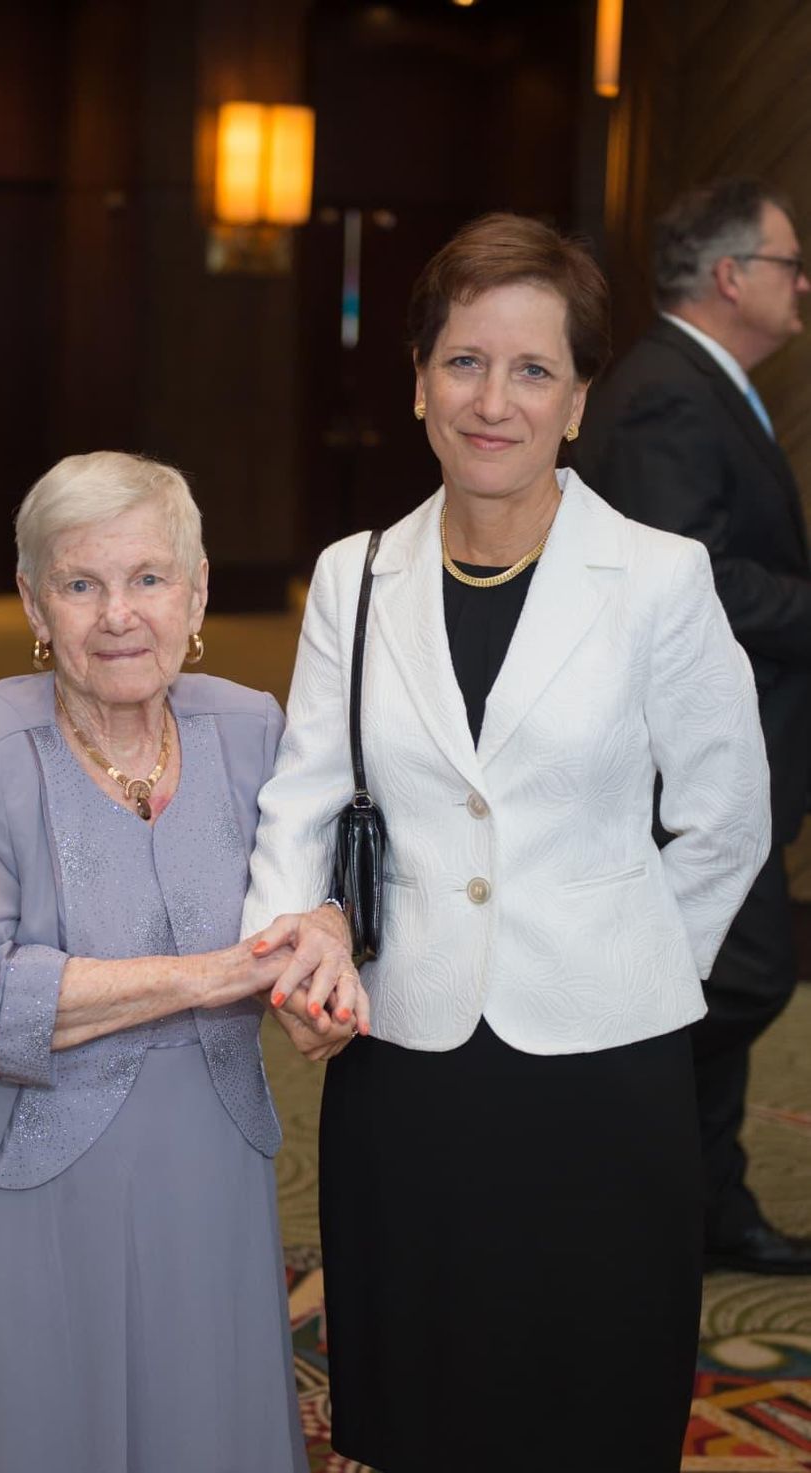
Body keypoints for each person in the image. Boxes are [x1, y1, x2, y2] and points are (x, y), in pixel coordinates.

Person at [243, 213, 771, 1473]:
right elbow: (299, 804)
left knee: (587, 1395)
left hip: (603, 1064)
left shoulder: (655, 578)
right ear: (418, 377)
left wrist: (631, 959)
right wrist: (290, 957)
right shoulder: (353, 578)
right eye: (465, 362)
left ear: (579, 399)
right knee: (417, 1393)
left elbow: (726, 814)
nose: (495, 400)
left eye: (532, 370)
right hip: (406, 1058)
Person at [0, 450, 363, 1473]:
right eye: (80, 583)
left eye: (149, 579)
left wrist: (318, 958)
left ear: (196, 592)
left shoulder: (249, 730)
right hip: (22, 1167)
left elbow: (308, 899)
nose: (119, 615)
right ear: (33, 600)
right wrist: (226, 974)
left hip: (207, 1151)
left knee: (200, 1424)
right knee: (30, 1428)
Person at [570, 178, 811, 1275]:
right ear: (730, 277)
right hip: (691, 754)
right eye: (787, 265)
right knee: (741, 972)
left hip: (727, 742)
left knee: (723, 966)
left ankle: (703, 1205)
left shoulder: (698, 381)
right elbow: (689, 581)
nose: (800, 284)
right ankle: (602, 1143)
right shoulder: (668, 391)